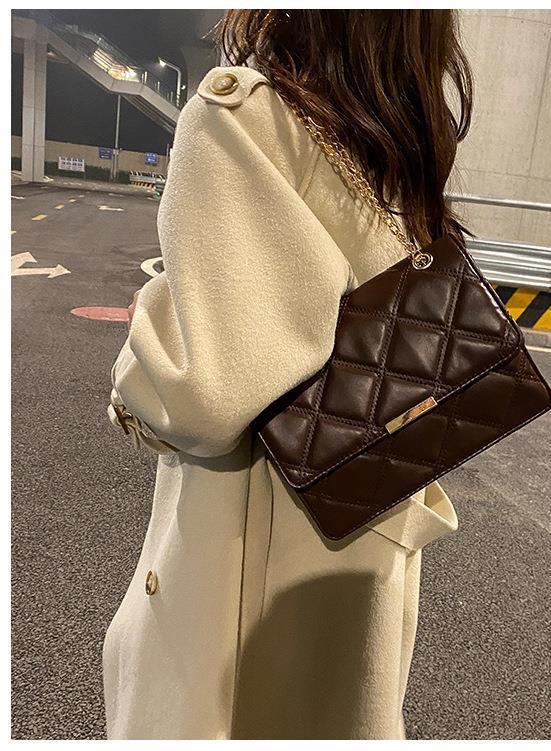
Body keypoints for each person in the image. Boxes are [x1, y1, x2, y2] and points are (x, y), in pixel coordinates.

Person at [102, 9, 473, 740]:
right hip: (355, 557)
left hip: (241, 584)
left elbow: (205, 393)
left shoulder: (246, 120)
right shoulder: (393, 157)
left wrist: (148, 333)